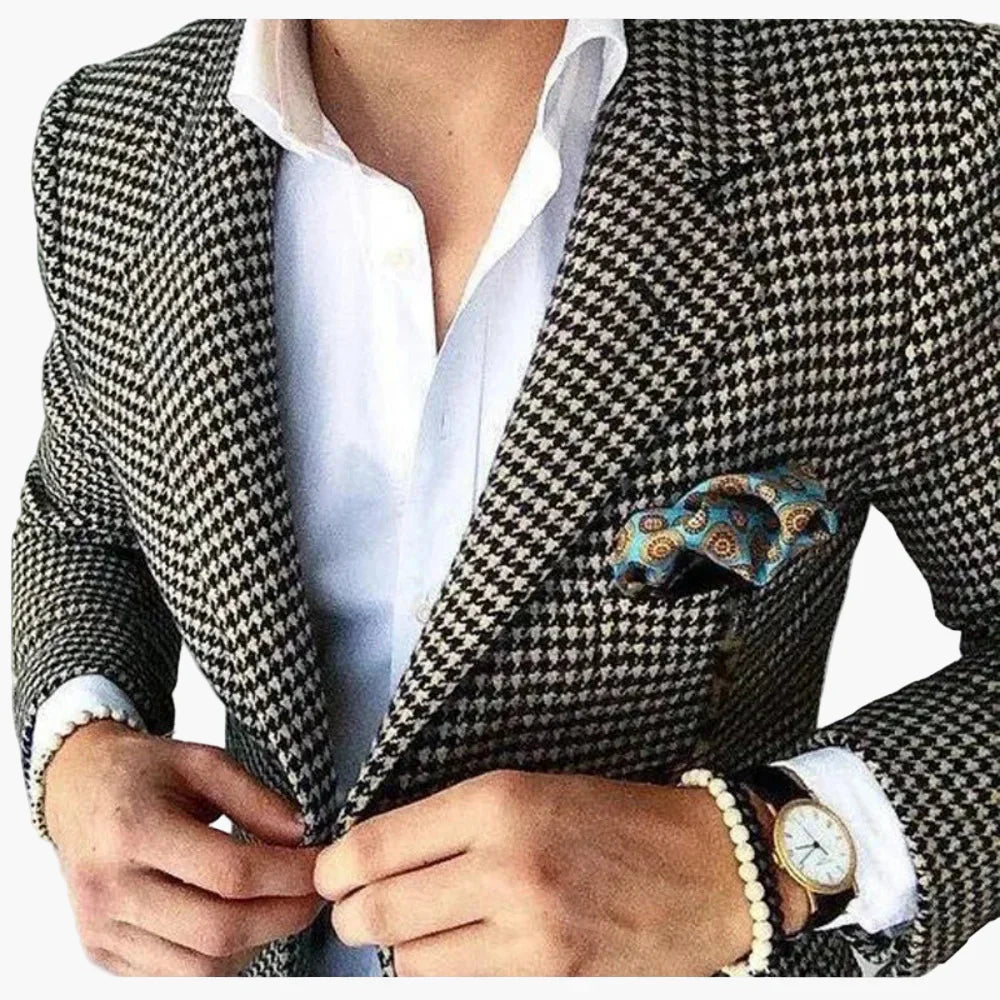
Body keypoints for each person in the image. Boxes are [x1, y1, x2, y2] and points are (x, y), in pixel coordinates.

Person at [10, 18, 998, 977]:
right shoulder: (110, 136)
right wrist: (82, 750)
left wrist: (762, 856)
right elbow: (84, 520)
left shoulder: (913, 135)